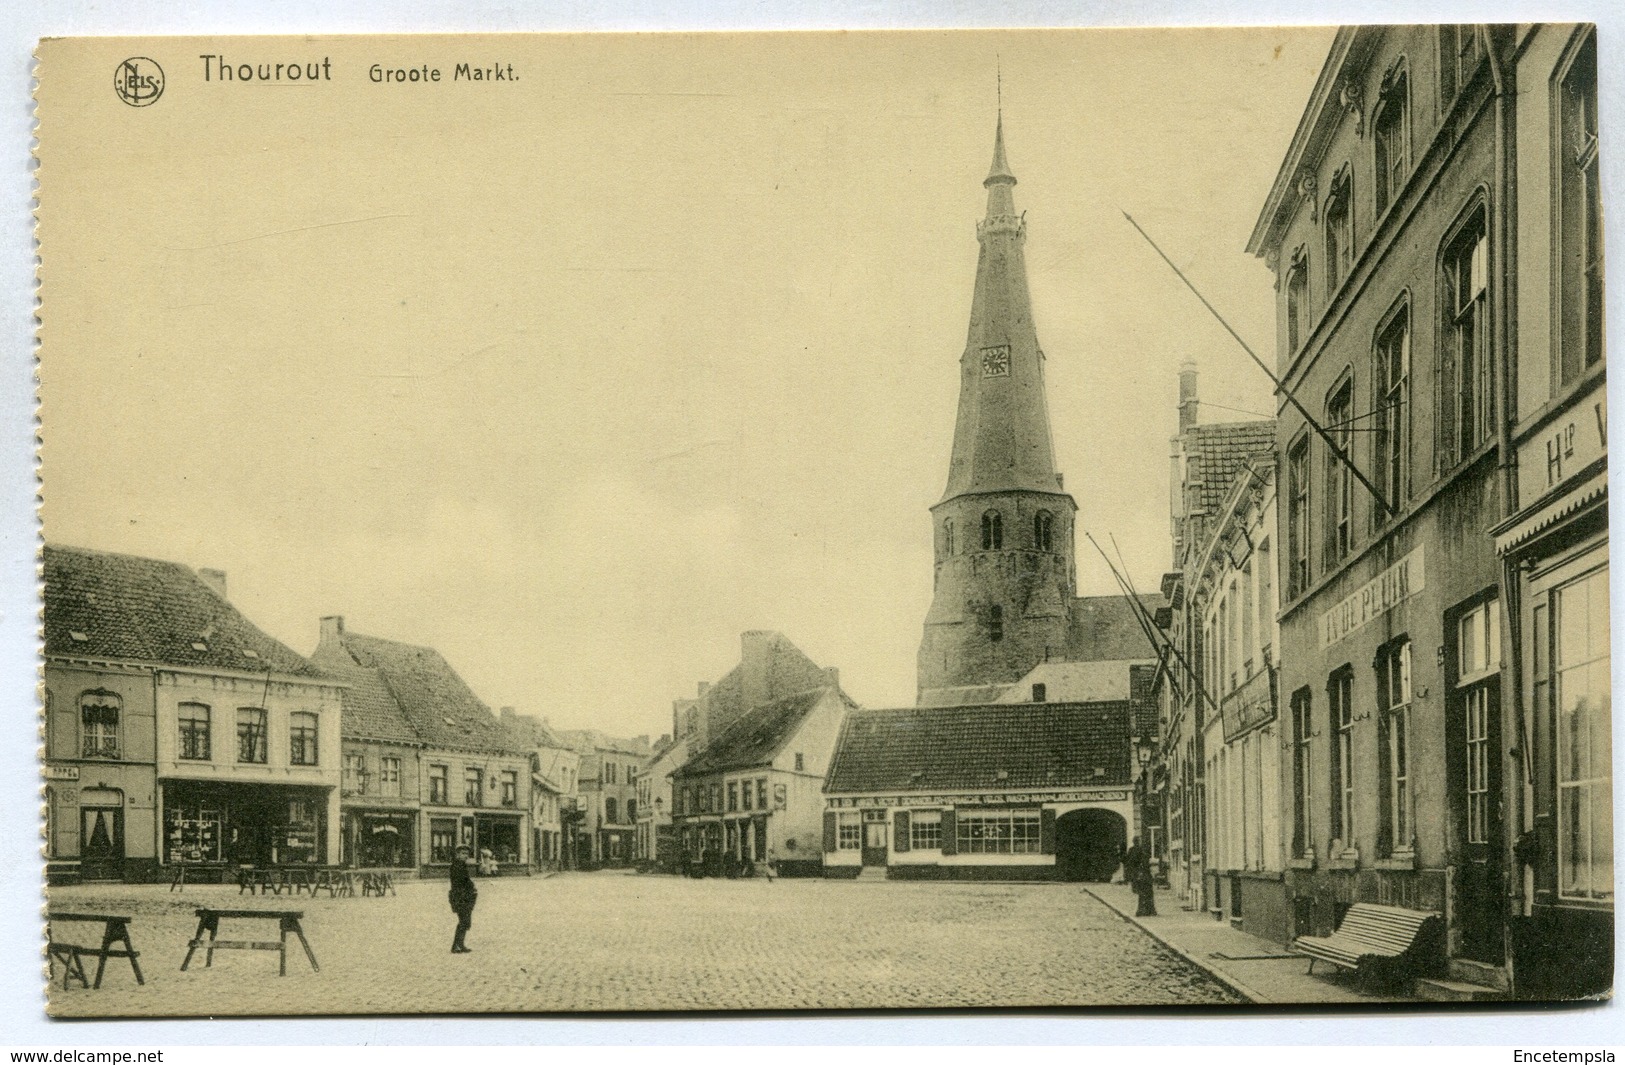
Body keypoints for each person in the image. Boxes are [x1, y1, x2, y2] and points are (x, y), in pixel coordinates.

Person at [449, 844, 478, 953]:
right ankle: (456, 946)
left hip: (464, 896)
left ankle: (460, 944)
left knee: (464, 921)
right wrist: (471, 886)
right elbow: (461, 882)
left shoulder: (461, 865)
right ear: (457, 854)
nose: (465, 856)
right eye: (463, 853)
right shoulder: (457, 866)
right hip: (460, 897)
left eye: (467, 854)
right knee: (463, 921)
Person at [1123, 836, 1157, 917]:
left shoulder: (1131, 850)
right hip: (1143, 874)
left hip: (1136, 875)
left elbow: (1128, 862)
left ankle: (1143, 910)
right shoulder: (1141, 850)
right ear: (1138, 842)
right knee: (1147, 892)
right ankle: (1147, 910)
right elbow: (1144, 862)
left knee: (1141, 893)